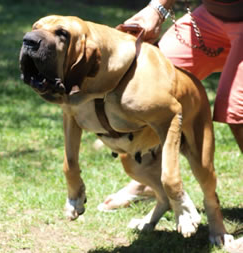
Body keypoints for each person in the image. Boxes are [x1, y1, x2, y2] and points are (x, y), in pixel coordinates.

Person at [98, 0, 243, 211]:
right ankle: (148, 180)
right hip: (212, 18)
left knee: (236, 108)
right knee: (151, 80)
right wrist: (156, 9)